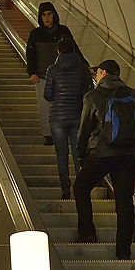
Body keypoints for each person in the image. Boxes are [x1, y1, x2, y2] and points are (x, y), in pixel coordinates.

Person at [73, 58, 135, 256]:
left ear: (102, 73)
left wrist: (80, 154)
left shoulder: (92, 96)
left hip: (101, 153)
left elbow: (84, 129)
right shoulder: (134, 95)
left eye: (98, 73)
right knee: (124, 200)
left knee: (81, 187)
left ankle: (87, 233)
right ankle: (123, 251)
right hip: (129, 154)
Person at [42, 35, 92, 199]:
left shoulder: (52, 69)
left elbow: (48, 95)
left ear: (58, 51)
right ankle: (81, 189)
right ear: (74, 50)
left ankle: (65, 189)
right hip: (77, 115)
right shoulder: (83, 68)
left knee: (61, 155)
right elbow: (89, 92)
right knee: (78, 154)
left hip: (57, 118)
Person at [26, 3, 69, 144]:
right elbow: (30, 55)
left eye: (49, 14)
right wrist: (32, 72)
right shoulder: (36, 34)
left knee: (62, 105)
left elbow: (74, 50)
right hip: (42, 75)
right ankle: (48, 134)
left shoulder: (63, 32)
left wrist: (85, 66)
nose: (47, 18)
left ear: (54, 15)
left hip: (62, 75)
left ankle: (61, 132)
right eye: (44, 15)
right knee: (44, 105)